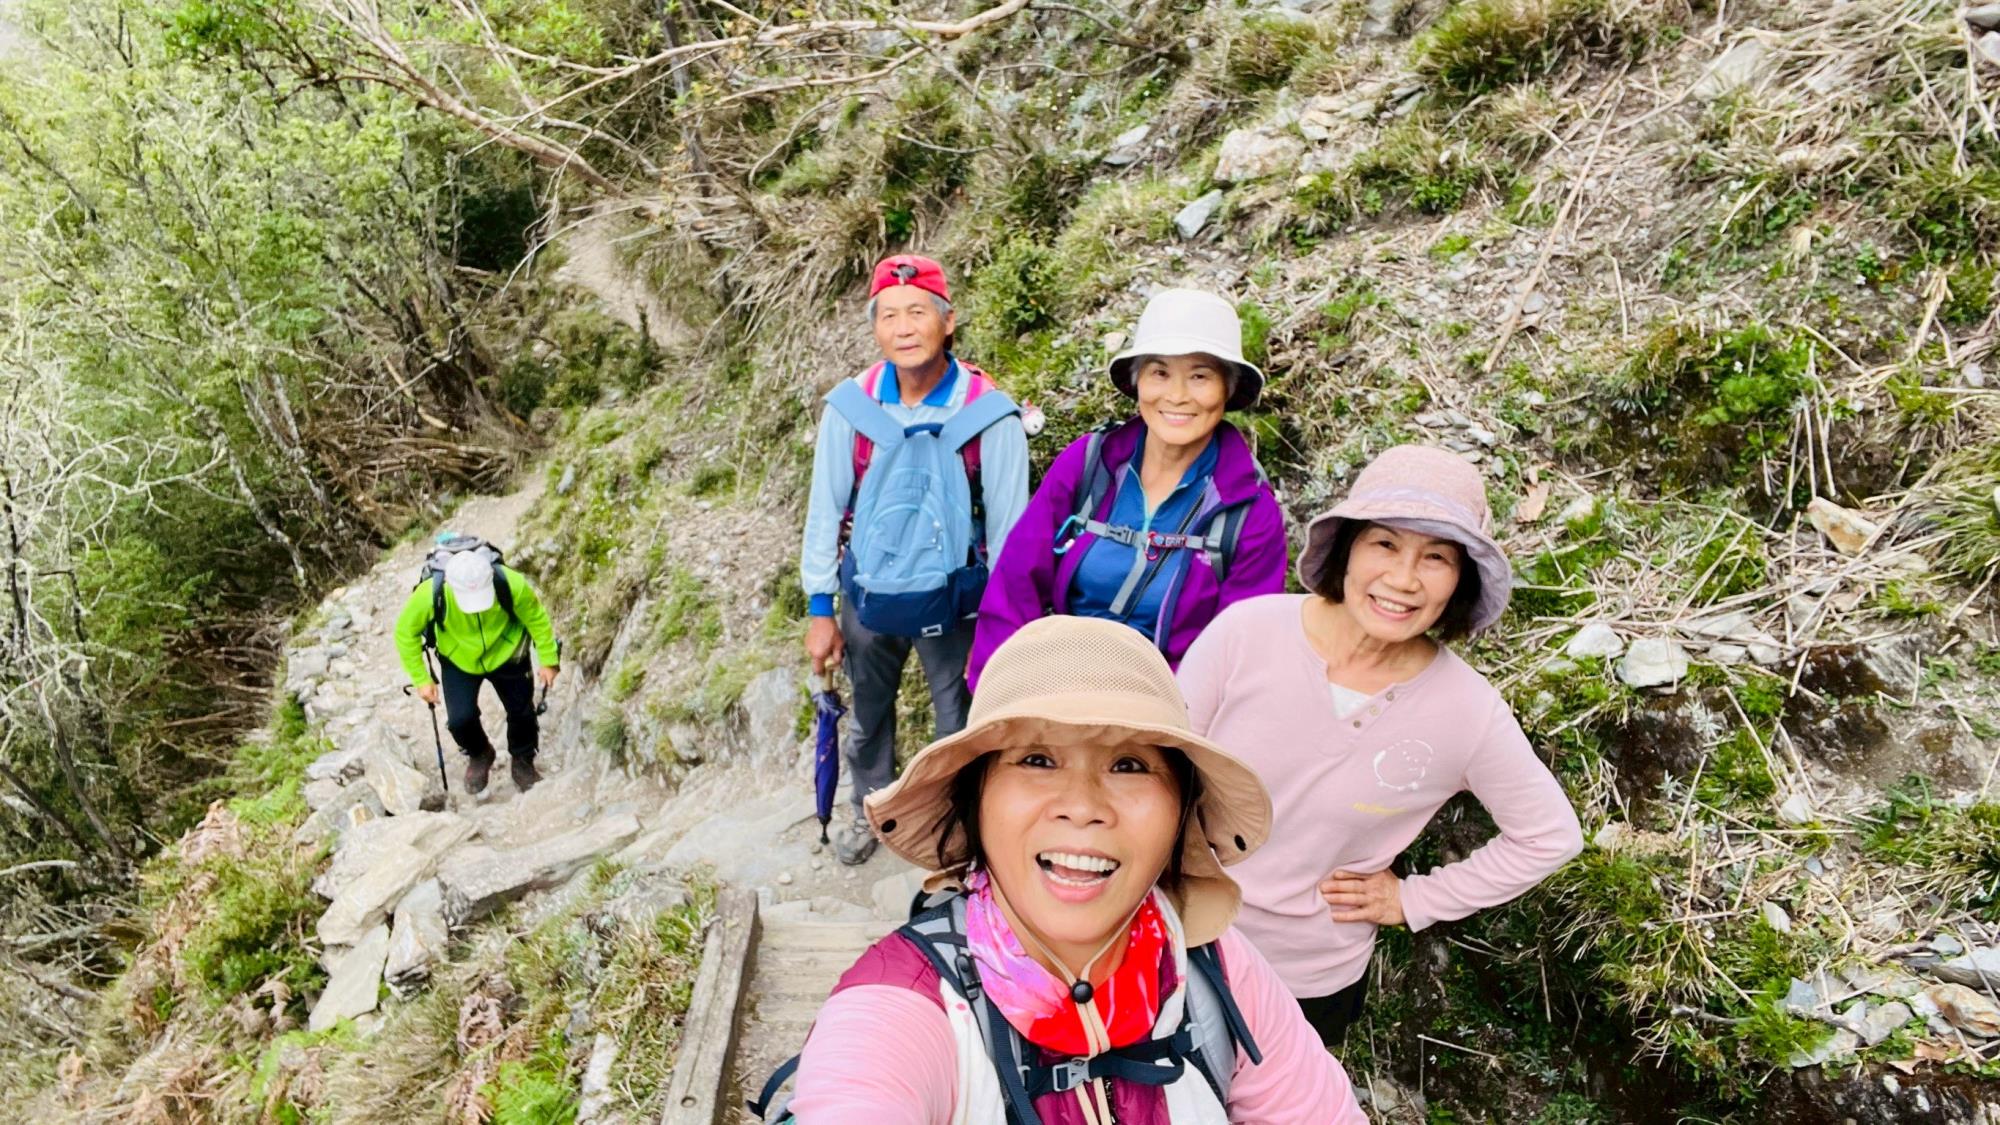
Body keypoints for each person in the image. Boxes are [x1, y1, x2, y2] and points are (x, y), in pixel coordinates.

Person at [786, 616, 1366, 1122]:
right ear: (976, 798)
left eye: (1129, 765)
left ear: (1180, 812)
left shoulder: (1216, 967)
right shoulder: (903, 1003)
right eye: (1037, 760)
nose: (1083, 806)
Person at [1178, 444, 1585, 1045]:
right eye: (1385, 544)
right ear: (1347, 548)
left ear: (1461, 579)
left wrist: (1414, 900)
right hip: (1174, 934)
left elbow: (1550, 835)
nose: (1403, 579)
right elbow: (1158, 765)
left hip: (1305, 979)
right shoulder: (1246, 633)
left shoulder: (1467, 711)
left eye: (1436, 557)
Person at [800, 254, 1030, 866]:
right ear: (875, 327)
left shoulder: (990, 414)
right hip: (868, 594)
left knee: (958, 721)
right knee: (868, 712)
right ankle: (869, 810)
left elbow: (1010, 531)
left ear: (948, 322)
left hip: (957, 601)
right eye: (889, 316)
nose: (904, 328)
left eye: (918, 313)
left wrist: (1003, 625)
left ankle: (950, 825)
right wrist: (820, 609)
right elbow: (825, 510)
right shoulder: (850, 409)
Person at [968, 289, 1286, 688]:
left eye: (1200, 376)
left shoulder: (1248, 510)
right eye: (1160, 373)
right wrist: (997, 691)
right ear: (1137, 382)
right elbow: (1015, 585)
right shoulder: (1091, 463)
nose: (1177, 396)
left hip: (1170, 706)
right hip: (1057, 688)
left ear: (1227, 389)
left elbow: (1241, 650)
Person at [393, 546, 560, 794]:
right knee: (460, 720)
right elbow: (405, 633)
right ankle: (480, 752)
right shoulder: (430, 593)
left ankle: (523, 760)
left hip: (508, 651)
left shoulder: (511, 583)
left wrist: (548, 659)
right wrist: (421, 679)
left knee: (522, 711)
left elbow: (536, 618)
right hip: (458, 658)